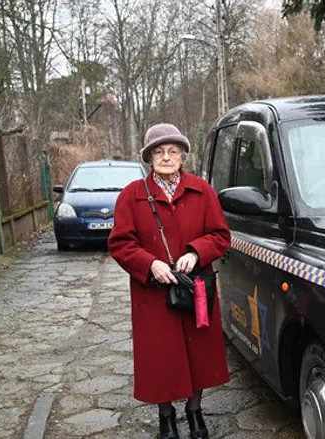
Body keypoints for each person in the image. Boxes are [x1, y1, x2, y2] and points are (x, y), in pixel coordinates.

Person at [108, 123, 232, 439]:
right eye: (159, 151)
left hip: (196, 289)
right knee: (160, 358)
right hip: (153, 293)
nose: (166, 157)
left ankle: (195, 412)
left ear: (182, 155)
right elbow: (120, 243)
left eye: (173, 151)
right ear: (149, 157)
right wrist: (150, 264)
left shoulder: (202, 191)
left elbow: (220, 235)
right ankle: (166, 416)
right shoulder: (131, 195)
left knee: (199, 355)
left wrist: (196, 252)